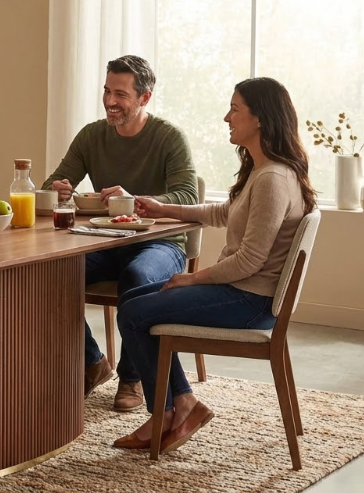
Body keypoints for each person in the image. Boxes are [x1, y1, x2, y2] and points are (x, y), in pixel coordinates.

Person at [113, 77, 317, 452]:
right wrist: (164, 207)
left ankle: (168, 414)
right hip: (243, 294)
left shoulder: (272, 178)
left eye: (235, 108)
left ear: (259, 118)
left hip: (249, 302)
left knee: (134, 314)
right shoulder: (266, 170)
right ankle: (182, 405)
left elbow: (250, 260)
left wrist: (191, 279)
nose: (227, 117)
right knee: (131, 303)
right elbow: (224, 212)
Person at [43, 55, 198, 409]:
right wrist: (60, 189)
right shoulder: (92, 135)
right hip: (104, 239)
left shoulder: (169, 137)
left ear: (144, 98)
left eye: (121, 95)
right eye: (107, 91)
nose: (111, 102)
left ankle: (132, 378)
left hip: (161, 243)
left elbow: (188, 195)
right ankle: (92, 362)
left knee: (137, 276)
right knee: (50, 273)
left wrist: (136, 199)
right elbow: (50, 183)